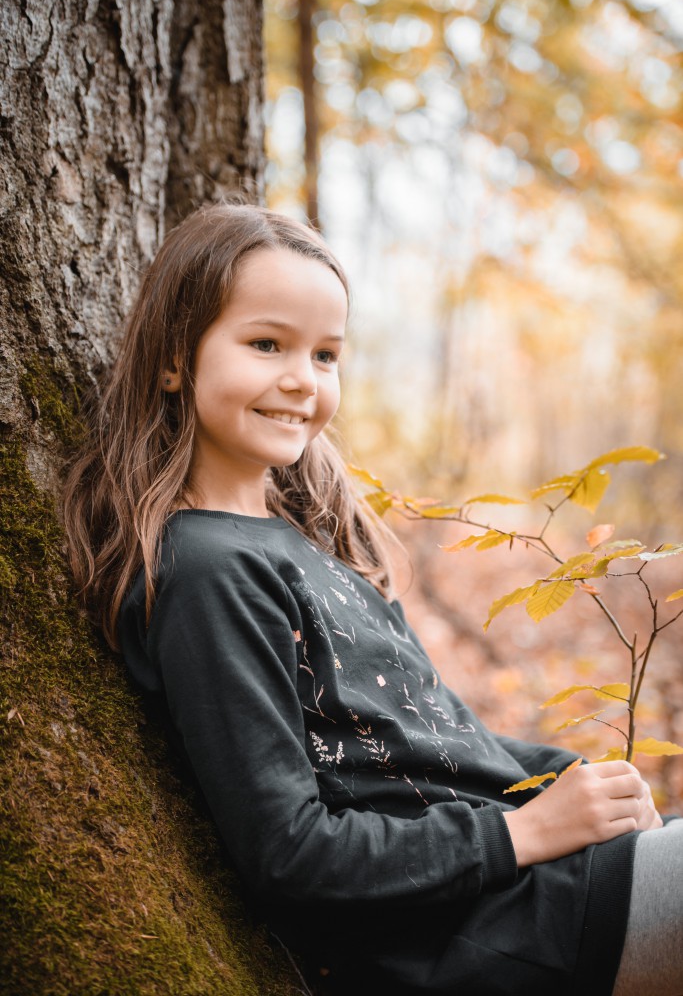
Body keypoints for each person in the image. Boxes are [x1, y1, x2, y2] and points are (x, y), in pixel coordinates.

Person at [63, 201, 682, 996]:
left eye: (325, 355)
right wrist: (524, 831)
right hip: (497, 931)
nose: (301, 379)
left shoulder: (298, 542)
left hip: (553, 883)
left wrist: (567, 777)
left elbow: (432, 742)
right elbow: (291, 854)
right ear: (173, 359)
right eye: (265, 344)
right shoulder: (207, 572)